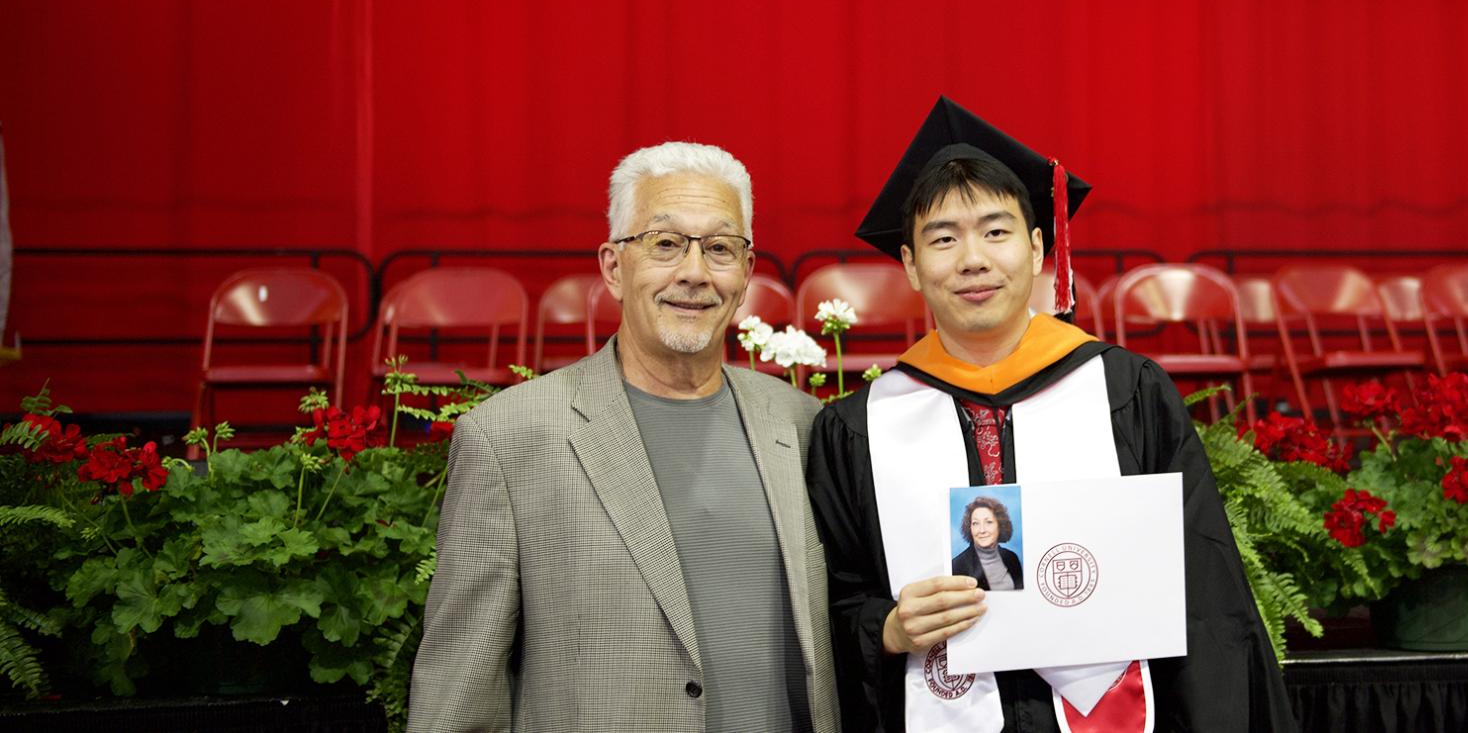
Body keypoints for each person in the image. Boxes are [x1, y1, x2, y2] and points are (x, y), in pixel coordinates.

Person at [806, 97, 1297, 732]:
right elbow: (834, 605)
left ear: (1038, 248)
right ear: (910, 265)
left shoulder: (1125, 391)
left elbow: (1202, 595)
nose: (973, 259)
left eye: (996, 231)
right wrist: (890, 628)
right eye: (943, 238)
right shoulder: (860, 427)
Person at [408, 141, 838, 733]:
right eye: (665, 244)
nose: (694, 272)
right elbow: (459, 690)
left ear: (745, 273)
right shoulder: (508, 437)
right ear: (613, 266)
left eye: (719, 248)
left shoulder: (803, 423)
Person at [950, 496, 1022, 591]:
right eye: (976, 523)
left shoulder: (1012, 558)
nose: (982, 530)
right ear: (969, 528)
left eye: (988, 522)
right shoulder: (957, 566)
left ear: (1000, 525)